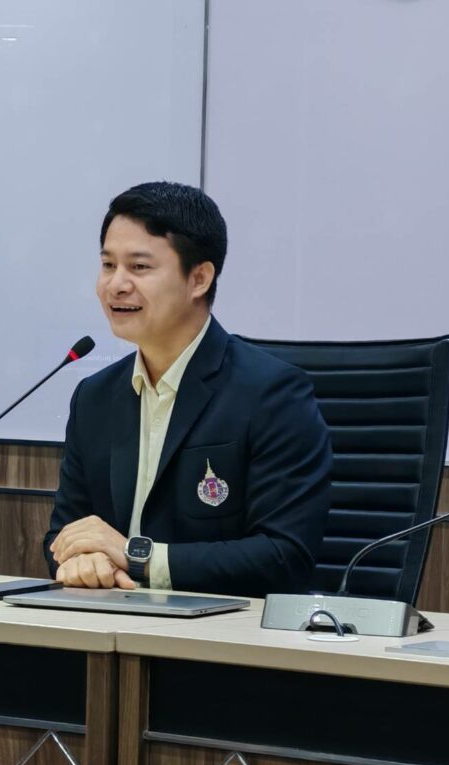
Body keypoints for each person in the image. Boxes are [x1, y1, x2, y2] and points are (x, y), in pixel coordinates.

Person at [43, 181, 332, 597]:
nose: (115, 285)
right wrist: (80, 560)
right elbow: (65, 536)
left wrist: (136, 557)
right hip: (110, 618)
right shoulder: (95, 396)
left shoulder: (271, 393)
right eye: (108, 265)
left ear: (199, 278)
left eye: (139, 267)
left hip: (221, 628)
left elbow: (285, 556)